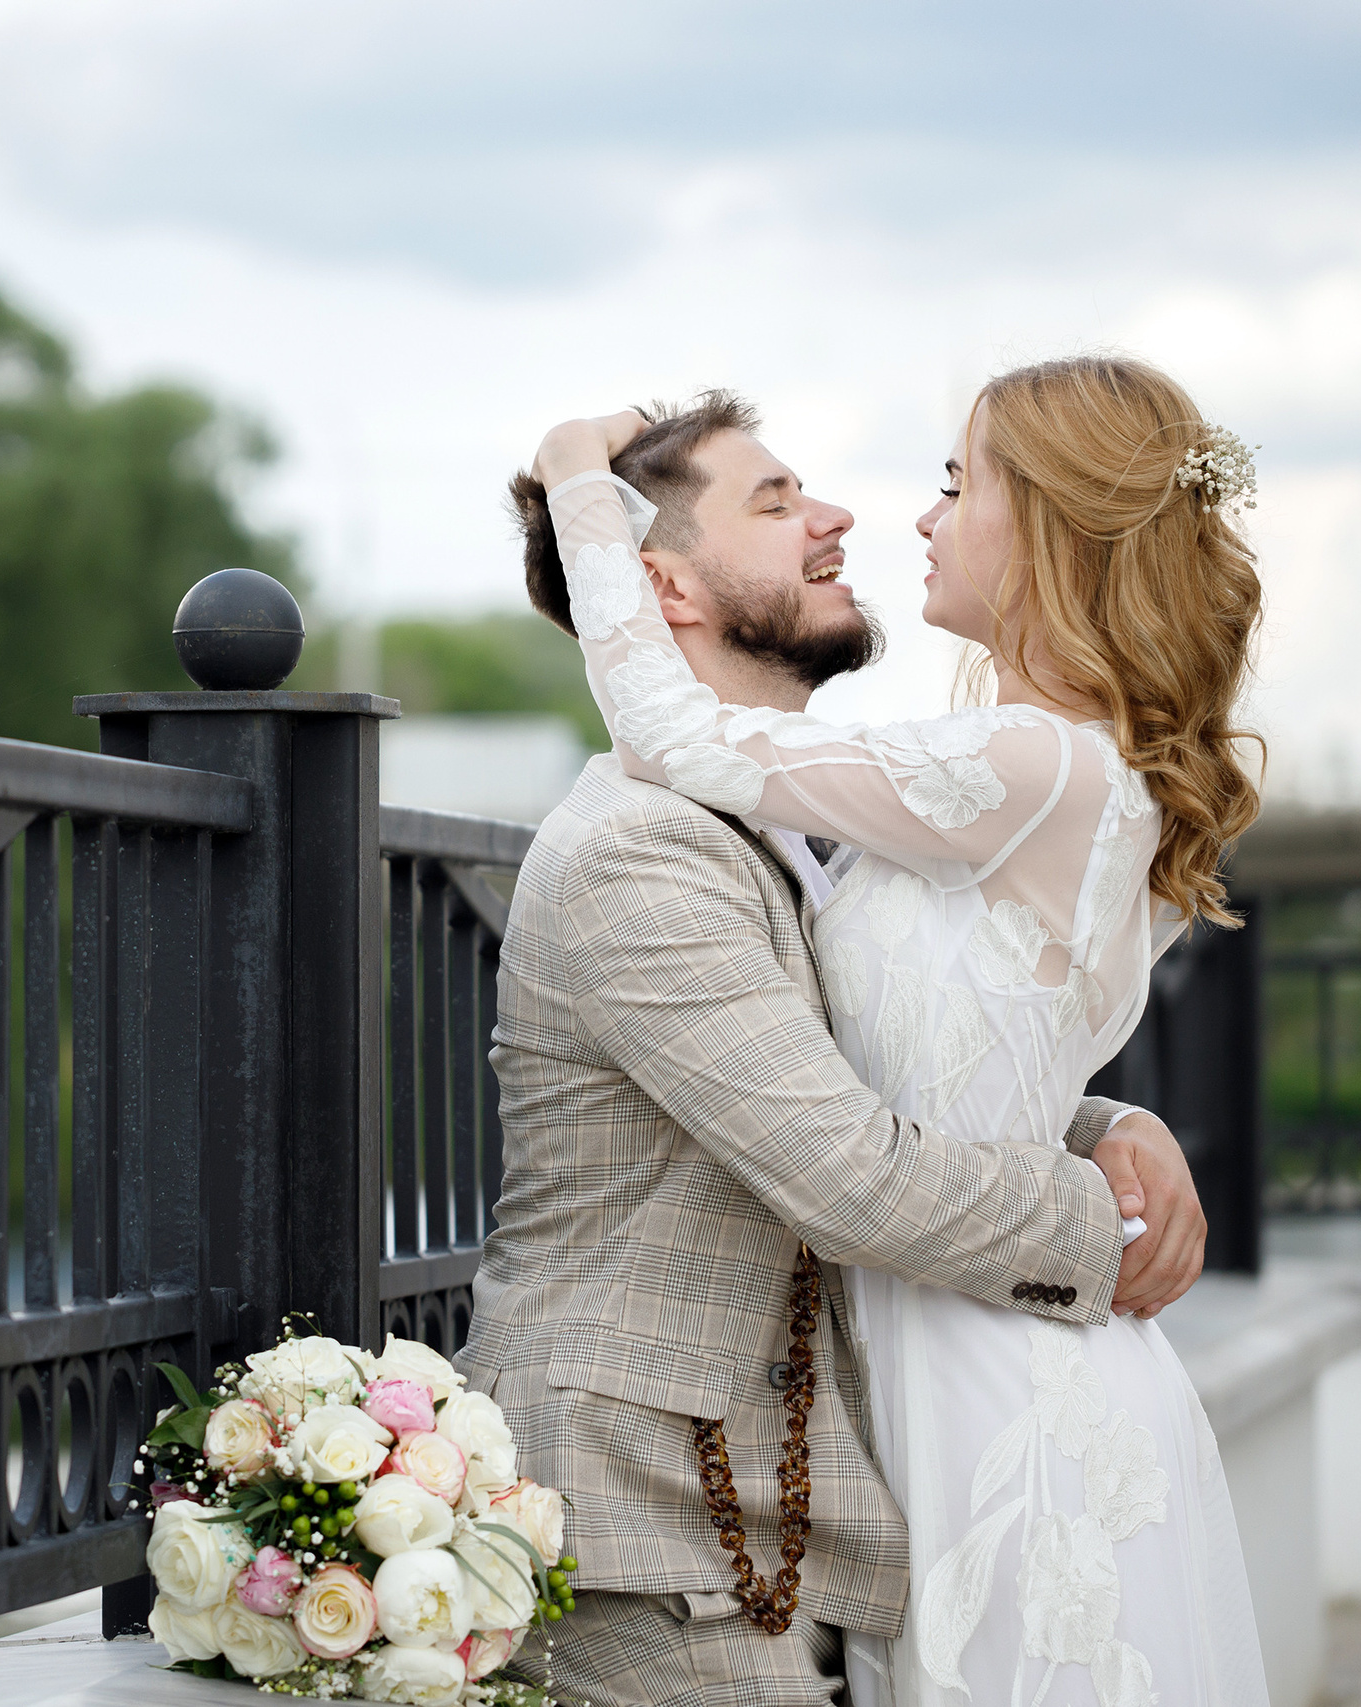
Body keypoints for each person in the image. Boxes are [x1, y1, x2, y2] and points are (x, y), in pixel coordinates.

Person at [456, 376, 1228, 1707]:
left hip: (855, 1461)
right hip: (652, 1505)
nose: (848, 517)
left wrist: (1103, 1120)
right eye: (776, 499)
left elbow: (875, 1044)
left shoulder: (875, 803)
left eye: (950, 482)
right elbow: (847, 1164)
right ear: (666, 591)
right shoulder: (649, 849)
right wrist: (1103, 1210)